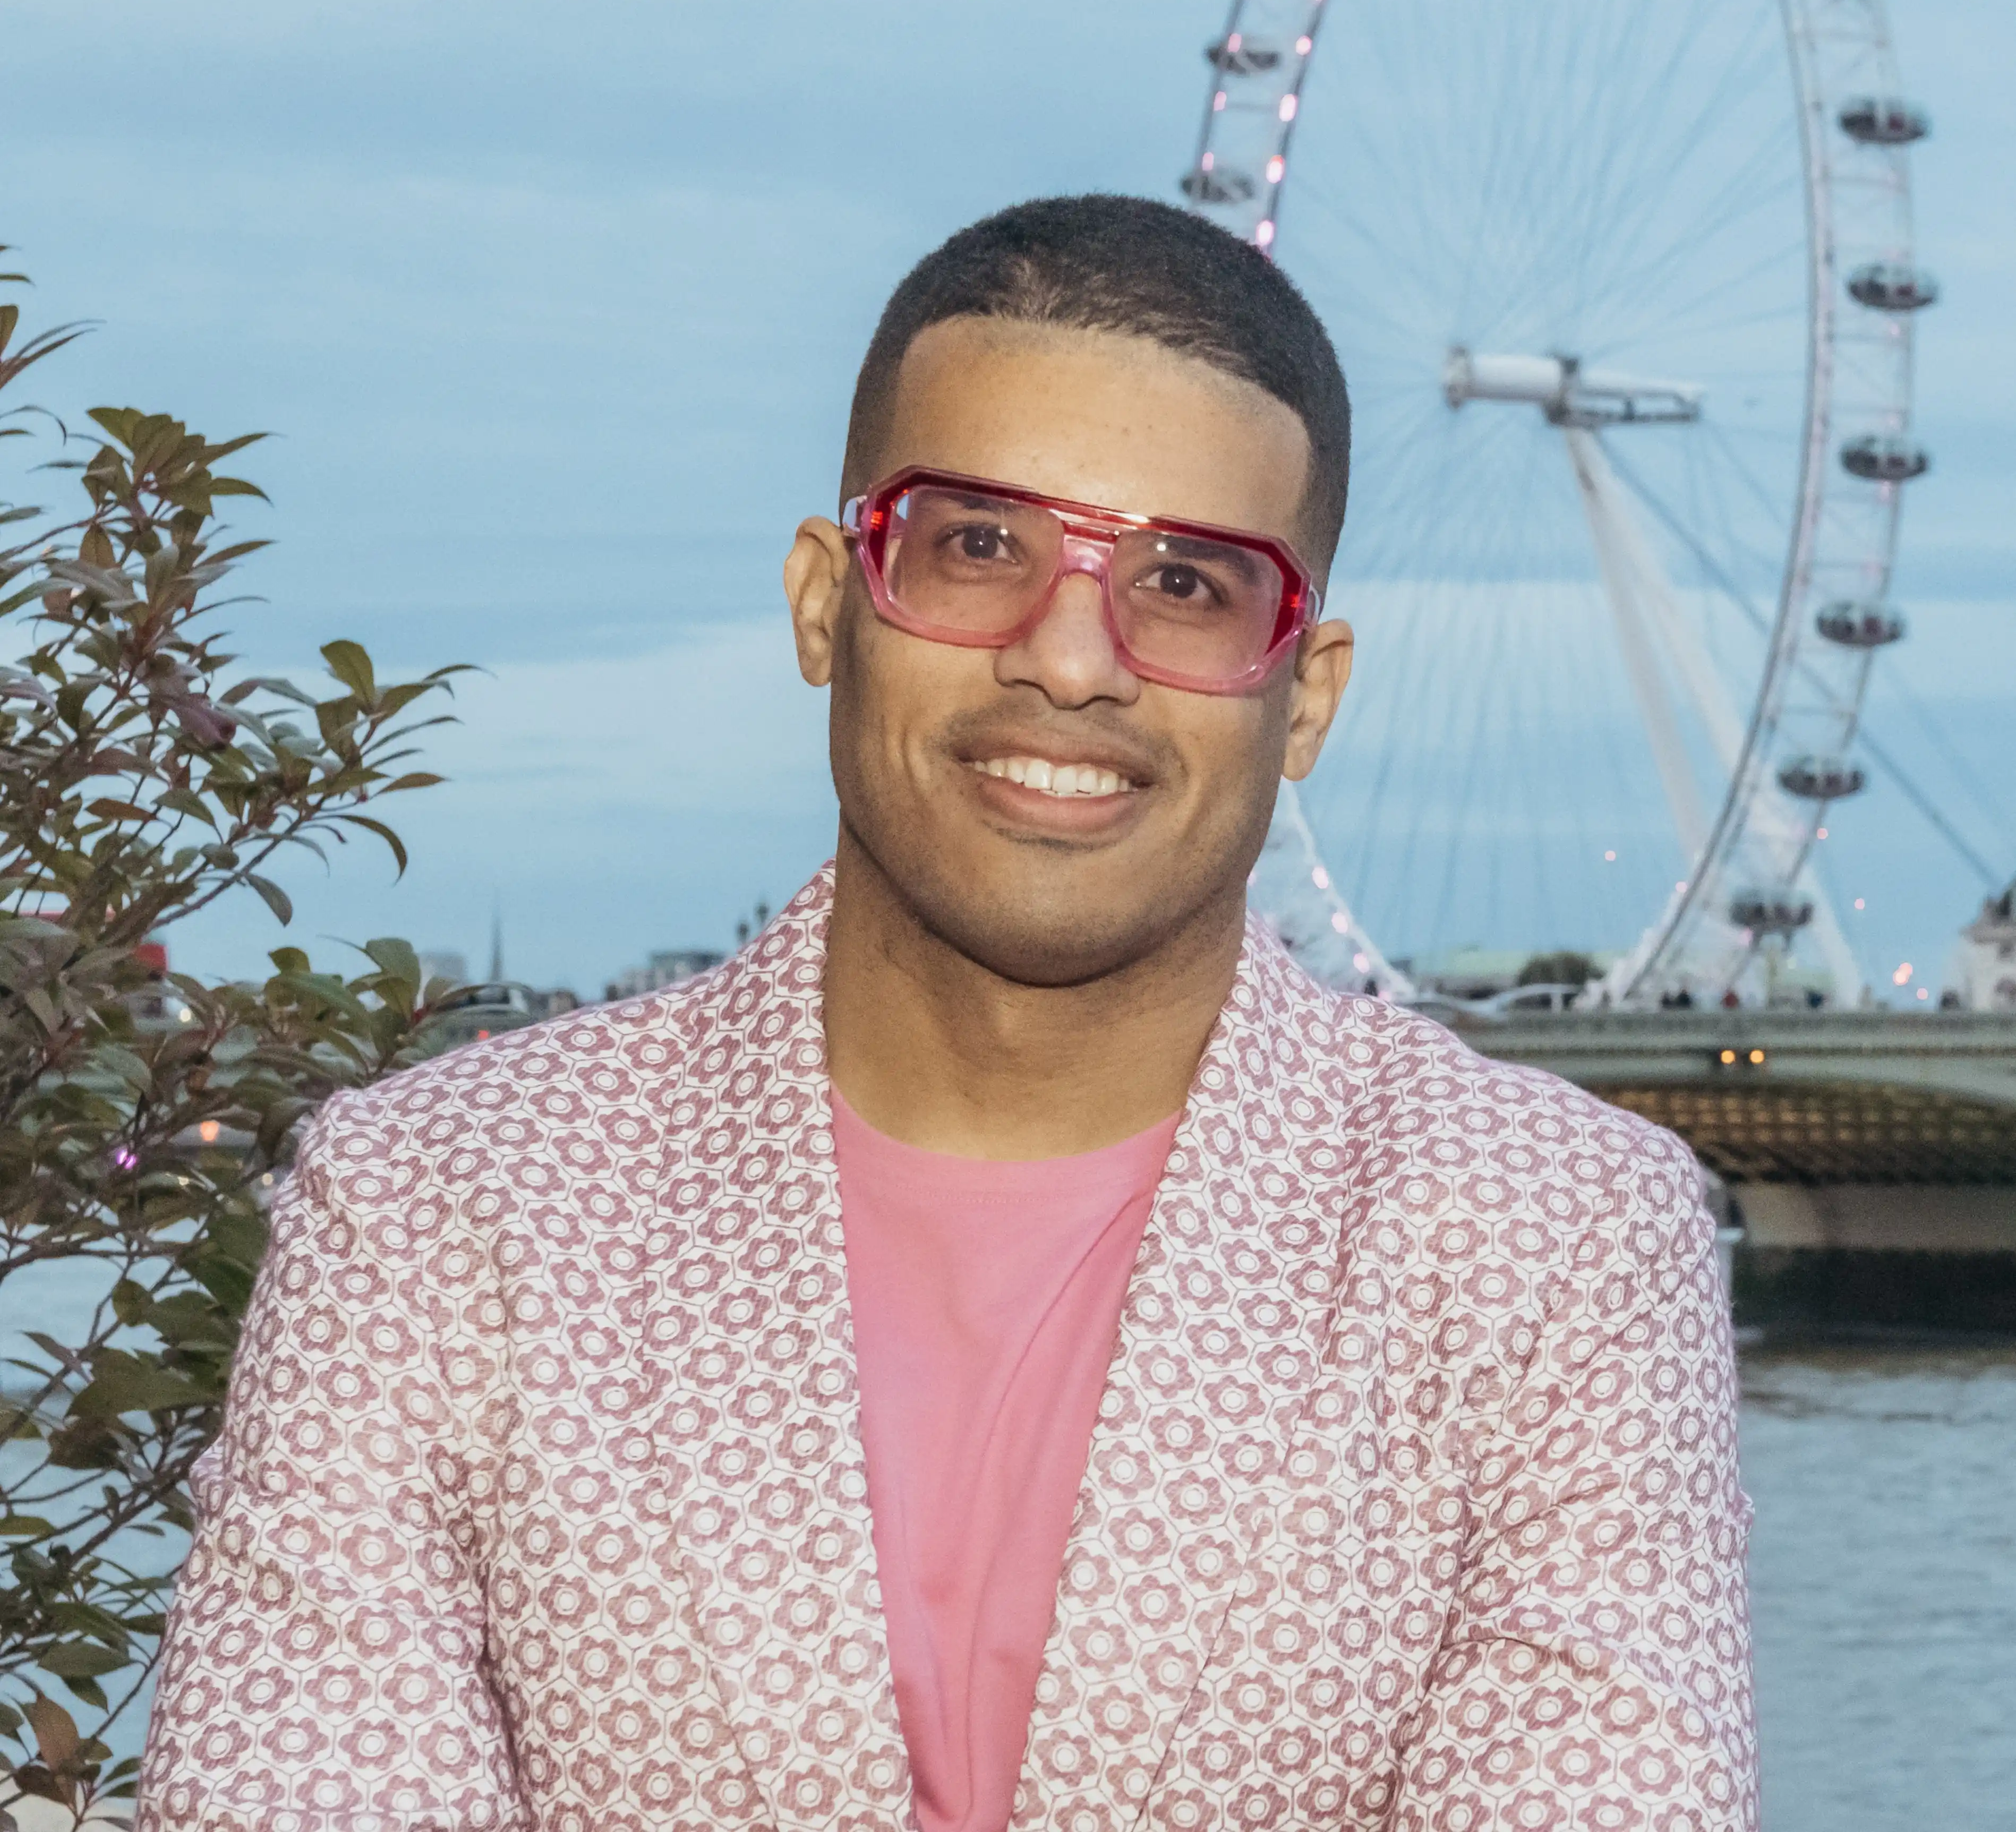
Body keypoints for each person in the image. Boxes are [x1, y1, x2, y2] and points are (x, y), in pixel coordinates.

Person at [140, 195, 1754, 1831]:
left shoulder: (1553, 1238)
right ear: (824, 601)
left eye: (1185, 580)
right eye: (979, 546)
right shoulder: (434, 1205)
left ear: (1304, 695)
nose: (1071, 658)